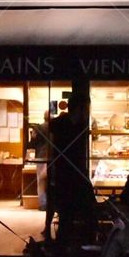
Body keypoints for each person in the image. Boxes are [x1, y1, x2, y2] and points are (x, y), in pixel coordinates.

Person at [47, 92, 96, 245]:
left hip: (67, 176)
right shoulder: (70, 127)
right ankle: (71, 252)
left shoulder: (61, 125)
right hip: (69, 177)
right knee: (77, 216)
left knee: (68, 218)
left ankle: (67, 252)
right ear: (80, 108)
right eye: (86, 108)